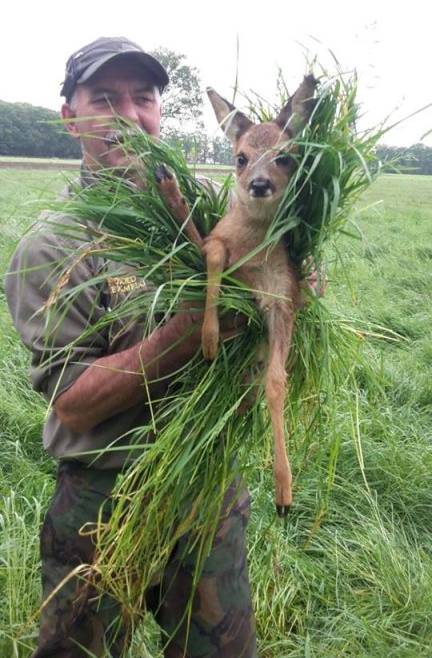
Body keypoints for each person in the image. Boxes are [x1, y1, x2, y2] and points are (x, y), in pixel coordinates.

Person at [5, 37, 258, 658]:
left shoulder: (205, 211)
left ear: (159, 112)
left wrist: (293, 277)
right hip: (101, 495)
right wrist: (189, 327)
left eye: (142, 98)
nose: (127, 114)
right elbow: (74, 405)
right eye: (104, 98)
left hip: (207, 487)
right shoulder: (51, 245)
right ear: (70, 116)